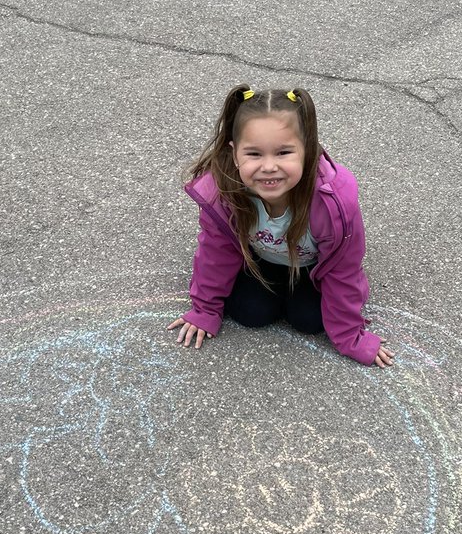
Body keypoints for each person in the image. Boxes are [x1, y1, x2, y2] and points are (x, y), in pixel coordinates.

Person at [168, 84, 395, 368]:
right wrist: (205, 310)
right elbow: (216, 251)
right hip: (264, 260)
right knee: (250, 313)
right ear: (234, 152)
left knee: (310, 320)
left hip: (313, 268)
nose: (269, 167)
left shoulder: (332, 203)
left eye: (284, 152)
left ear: (307, 150)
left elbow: (342, 270)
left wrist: (351, 337)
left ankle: (302, 302)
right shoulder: (225, 193)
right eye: (254, 154)